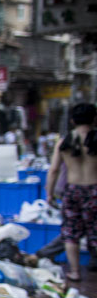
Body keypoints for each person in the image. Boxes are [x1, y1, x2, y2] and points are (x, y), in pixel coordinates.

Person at [47, 103, 97, 282]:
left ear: (72, 120)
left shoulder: (65, 142)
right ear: (94, 119)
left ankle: (75, 271)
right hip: (94, 190)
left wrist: (49, 193)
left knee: (71, 233)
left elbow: (54, 170)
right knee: (95, 232)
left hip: (73, 190)